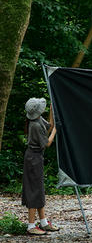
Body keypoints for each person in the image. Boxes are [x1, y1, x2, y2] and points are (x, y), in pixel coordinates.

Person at [22, 97, 59, 235]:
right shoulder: (35, 125)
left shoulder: (38, 120)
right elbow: (47, 143)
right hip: (33, 159)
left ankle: (43, 222)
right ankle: (31, 226)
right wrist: (56, 129)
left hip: (36, 158)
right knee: (33, 190)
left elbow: (48, 126)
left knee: (39, 188)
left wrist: (51, 111)